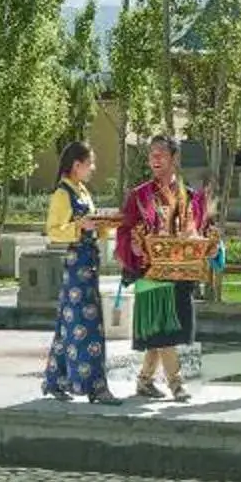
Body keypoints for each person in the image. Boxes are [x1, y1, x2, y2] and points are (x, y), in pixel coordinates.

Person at [118, 138, 213, 402]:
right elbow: (124, 231)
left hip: (180, 271)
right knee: (163, 328)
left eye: (161, 154)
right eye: (152, 154)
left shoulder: (191, 196)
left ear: (174, 159)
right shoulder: (139, 196)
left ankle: (144, 381)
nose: (155, 159)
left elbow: (202, 230)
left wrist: (204, 244)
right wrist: (133, 247)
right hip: (151, 272)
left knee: (163, 333)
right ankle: (177, 384)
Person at [38, 140, 119, 404]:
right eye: (89, 163)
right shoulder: (63, 194)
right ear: (76, 165)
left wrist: (105, 223)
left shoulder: (81, 190)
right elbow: (53, 231)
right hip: (76, 265)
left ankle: (55, 380)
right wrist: (79, 226)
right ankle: (95, 386)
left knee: (68, 324)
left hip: (88, 263)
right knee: (87, 325)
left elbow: (90, 225)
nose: (93, 168)